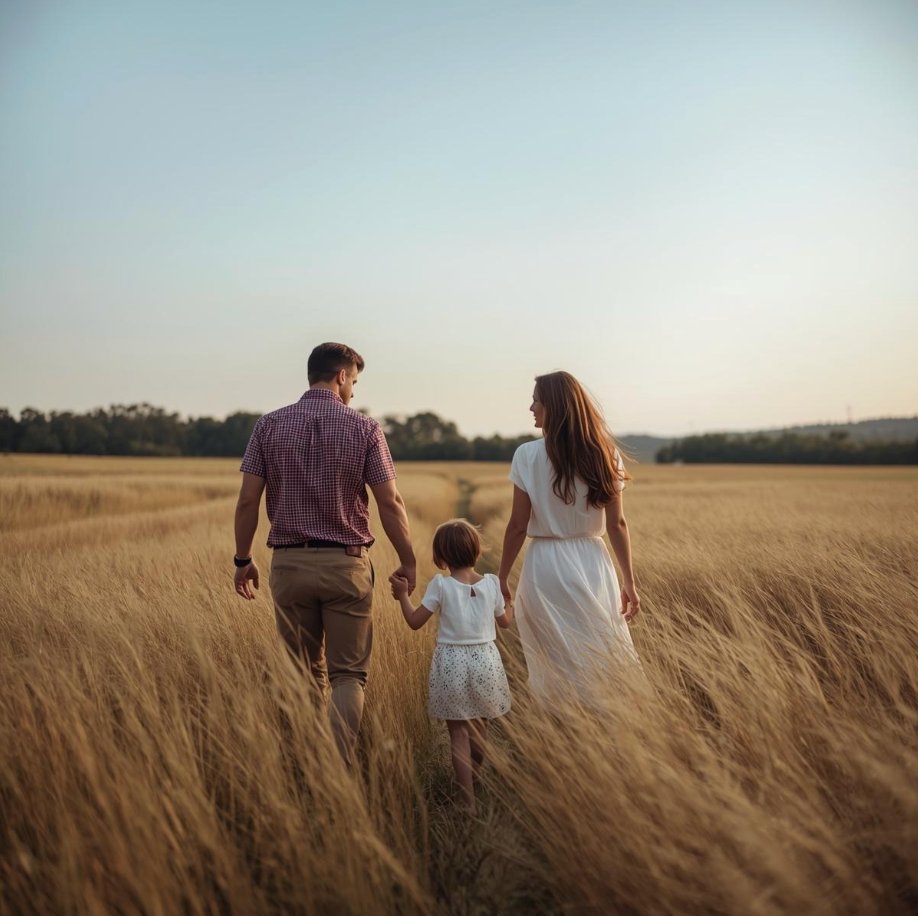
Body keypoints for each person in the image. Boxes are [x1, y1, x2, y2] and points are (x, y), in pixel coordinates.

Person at [233, 342, 416, 765]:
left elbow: (247, 502)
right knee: (348, 675)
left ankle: (304, 767)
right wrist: (408, 559)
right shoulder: (365, 429)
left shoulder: (268, 426)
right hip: (347, 565)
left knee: (302, 673)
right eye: (354, 380)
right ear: (341, 376)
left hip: (289, 565)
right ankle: (336, 769)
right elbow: (391, 502)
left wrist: (243, 559)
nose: (353, 389)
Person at [498, 371, 641, 707]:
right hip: (594, 564)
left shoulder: (527, 455)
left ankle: (563, 739)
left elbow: (518, 525)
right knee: (601, 654)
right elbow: (617, 523)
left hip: (544, 565)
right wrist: (629, 582)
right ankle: (605, 737)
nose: (531, 406)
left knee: (553, 662)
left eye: (536, 400)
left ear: (554, 406)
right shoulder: (604, 453)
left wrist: (502, 577)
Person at [390, 519, 512, 813]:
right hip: (485, 661)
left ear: (441, 557)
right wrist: (511, 605)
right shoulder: (492, 583)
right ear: (477, 552)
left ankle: (466, 799)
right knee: (481, 724)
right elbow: (505, 622)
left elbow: (415, 622)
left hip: (452, 663)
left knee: (457, 733)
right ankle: (477, 777)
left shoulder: (441, 585)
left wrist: (403, 596)